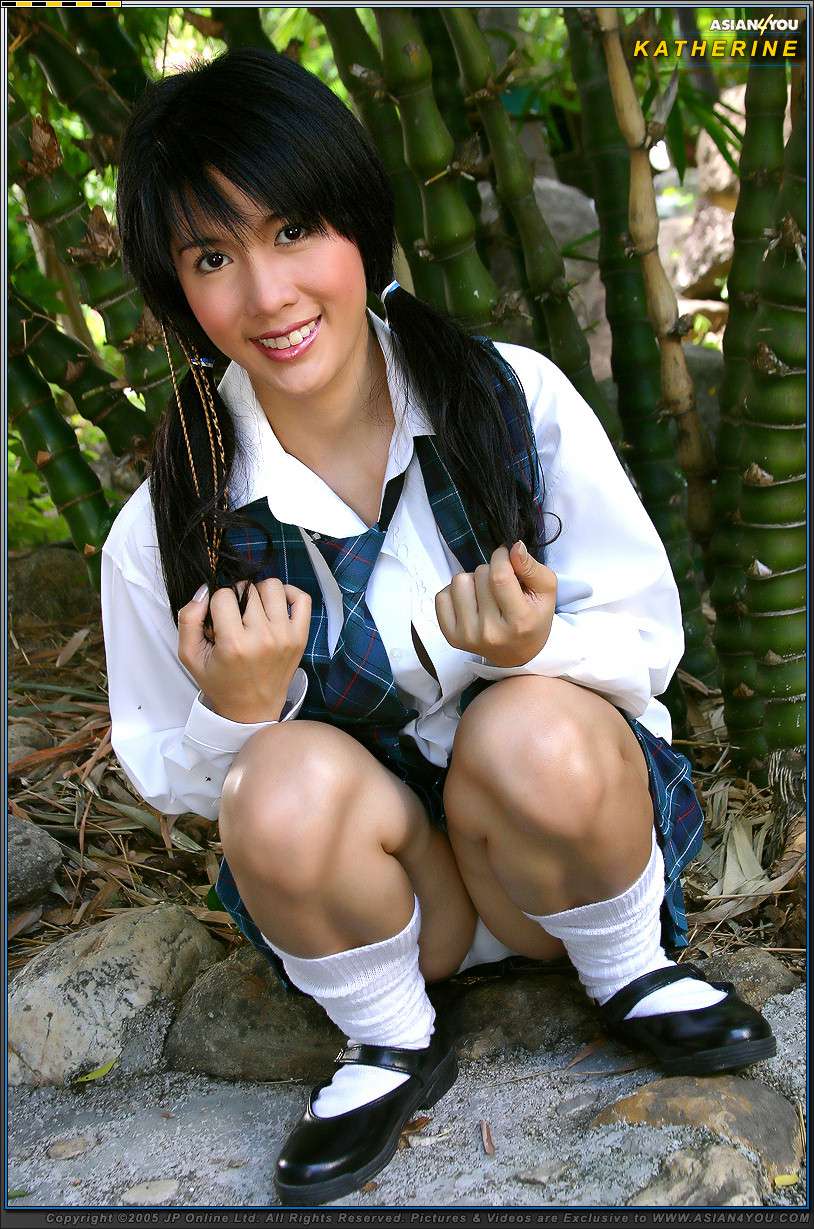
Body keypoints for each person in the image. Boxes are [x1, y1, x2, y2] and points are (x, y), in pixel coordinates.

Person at [105, 46, 774, 1207]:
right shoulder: (171, 517)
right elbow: (171, 769)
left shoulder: (507, 398)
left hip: (554, 869)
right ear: (178, 290)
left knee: (532, 723)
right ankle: (389, 1039)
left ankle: (627, 968)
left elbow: (643, 636)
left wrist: (531, 651)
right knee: (275, 779)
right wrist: (238, 711)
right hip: (390, 916)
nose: (268, 295)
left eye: (294, 230)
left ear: (359, 221)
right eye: (213, 257)